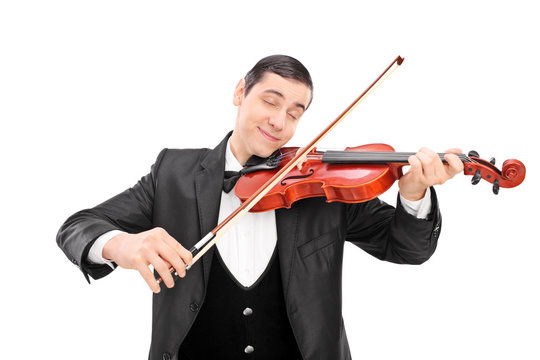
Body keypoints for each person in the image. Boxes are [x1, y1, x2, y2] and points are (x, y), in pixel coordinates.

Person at [57, 55, 464, 360]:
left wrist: (412, 194)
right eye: (271, 101)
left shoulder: (322, 187)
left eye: (295, 112)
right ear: (240, 93)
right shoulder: (174, 172)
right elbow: (78, 226)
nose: (280, 122)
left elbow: (407, 249)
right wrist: (120, 246)